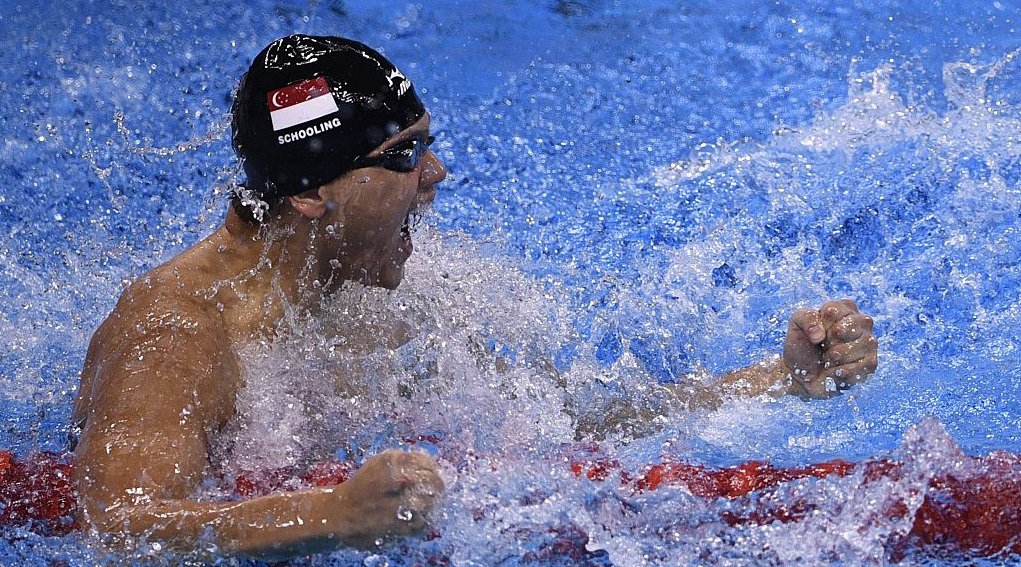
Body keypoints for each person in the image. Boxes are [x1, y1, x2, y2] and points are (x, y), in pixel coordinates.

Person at [70, 34, 878, 559]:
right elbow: (119, 524)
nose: (436, 176)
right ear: (312, 194)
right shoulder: (176, 337)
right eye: (404, 154)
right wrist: (333, 514)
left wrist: (772, 380)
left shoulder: (378, 285)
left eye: (428, 144)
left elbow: (562, 428)